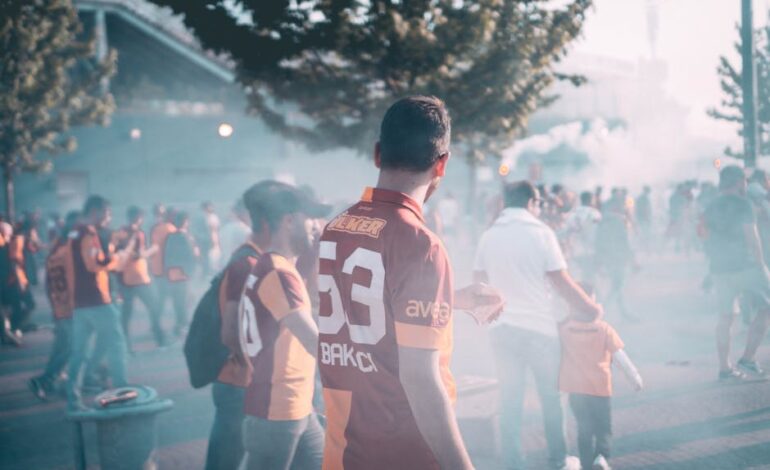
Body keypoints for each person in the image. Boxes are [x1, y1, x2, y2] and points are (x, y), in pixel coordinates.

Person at [318, 96, 503, 470]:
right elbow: (420, 379)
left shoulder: (336, 227)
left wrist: (452, 299)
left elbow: (367, 303)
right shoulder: (420, 245)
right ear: (442, 163)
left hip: (342, 450)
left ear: (377, 153)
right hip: (404, 451)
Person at [474, 180, 603, 470]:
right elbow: (561, 282)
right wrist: (590, 309)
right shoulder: (542, 233)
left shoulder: (489, 236)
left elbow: (478, 285)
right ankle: (558, 460)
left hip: (502, 331)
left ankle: (512, 464)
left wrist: (488, 322)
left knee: (510, 400)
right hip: (539, 331)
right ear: (532, 202)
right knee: (552, 398)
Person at [239, 180, 330, 470]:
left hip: (296, 405)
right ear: (289, 221)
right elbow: (314, 341)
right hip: (276, 411)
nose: (316, 226)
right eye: (310, 218)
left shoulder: (278, 266)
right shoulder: (278, 273)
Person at [204, 184, 269, 470]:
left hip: (235, 376)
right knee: (227, 453)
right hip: (236, 378)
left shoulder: (246, 254)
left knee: (230, 450)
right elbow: (231, 330)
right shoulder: (247, 261)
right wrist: (249, 366)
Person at [559, 283, 643, 470]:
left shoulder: (565, 329)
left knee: (584, 429)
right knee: (604, 428)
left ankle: (586, 463)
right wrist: (635, 378)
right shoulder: (604, 329)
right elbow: (620, 357)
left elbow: (555, 356)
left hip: (576, 389)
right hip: (600, 389)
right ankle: (601, 457)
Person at [66, 196, 132, 411]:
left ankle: (73, 400)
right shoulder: (88, 233)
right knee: (116, 344)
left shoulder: (73, 232)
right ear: (95, 211)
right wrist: (117, 258)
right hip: (97, 299)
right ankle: (123, 393)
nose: (109, 218)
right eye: (107, 213)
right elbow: (94, 264)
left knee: (79, 353)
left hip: (80, 302)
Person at [703, 165, 770, 380]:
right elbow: (752, 237)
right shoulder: (743, 204)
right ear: (740, 181)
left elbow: (703, 235)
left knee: (726, 316)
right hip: (746, 265)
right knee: (766, 307)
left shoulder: (711, 205)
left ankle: (725, 368)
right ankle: (748, 358)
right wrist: (761, 265)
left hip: (720, 268)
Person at [29, 211, 80, 400]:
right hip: (70, 306)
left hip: (59, 304)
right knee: (72, 347)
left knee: (62, 347)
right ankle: (46, 380)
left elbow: (48, 283)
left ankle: (55, 379)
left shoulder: (57, 247)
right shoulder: (70, 249)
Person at [112, 206, 166, 352]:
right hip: (127, 280)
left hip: (142, 278)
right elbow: (134, 255)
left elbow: (140, 253)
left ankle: (160, 340)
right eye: (139, 217)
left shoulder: (139, 233)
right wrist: (151, 250)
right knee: (127, 314)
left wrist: (148, 253)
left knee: (153, 308)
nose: (139, 220)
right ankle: (126, 347)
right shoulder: (122, 233)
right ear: (135, 217)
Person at [163, 211, 198, 338]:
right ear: (185, 222)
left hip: (173, 273)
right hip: (184, 273)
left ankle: (179, 325)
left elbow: (167, 256)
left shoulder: (170, 237)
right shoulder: (186, 237)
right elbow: (191, 256)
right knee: (183, 300)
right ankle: (183, 325)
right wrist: (191, 271)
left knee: (177, 301)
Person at [149, 204, 176, 317]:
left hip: (161, 267)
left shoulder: (161, 227)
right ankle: (156, 320)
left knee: (164, 295)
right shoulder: (167, 228)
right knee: (165, 295)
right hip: (164, 268)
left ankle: (157, 319)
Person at [194, 201, 221, 276]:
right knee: (206, 257)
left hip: (212, 239)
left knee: (212, 257)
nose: (211, 208)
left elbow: (216, 229)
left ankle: (208, 272)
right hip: (205, 240)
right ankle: (206, 273)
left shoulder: (213, 217)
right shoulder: (201, 217)